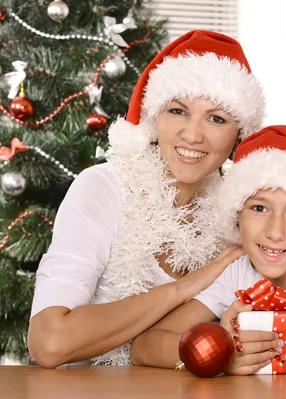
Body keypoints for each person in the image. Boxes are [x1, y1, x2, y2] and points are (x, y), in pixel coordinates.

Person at [28, 30, 266, 368]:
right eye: (178, 111)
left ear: (239, 134)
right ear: (154, 117)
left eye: (216, 118)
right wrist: (182, 289)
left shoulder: (241, 212)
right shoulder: (102, 188)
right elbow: (49, 343)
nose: (193, 135)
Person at [129, 125, 286, 374]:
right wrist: (221, 351)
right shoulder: (239, 274)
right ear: (237, 213)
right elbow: (143, 347)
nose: (275, 232)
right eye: (259, 208)